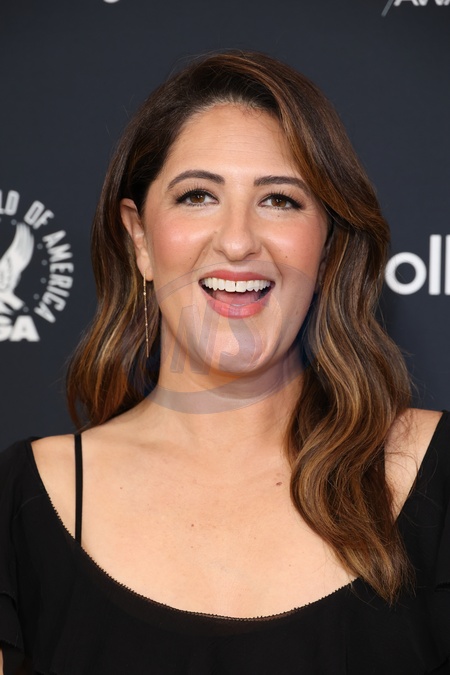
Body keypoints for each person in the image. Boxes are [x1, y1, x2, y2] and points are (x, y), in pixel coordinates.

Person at [0, 50, 449, 674]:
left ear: (327, 248)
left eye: (280, 201)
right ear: (139, 238)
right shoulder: (26, 497)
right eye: (198, 196)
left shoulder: (434, 474)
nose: (237, 240)